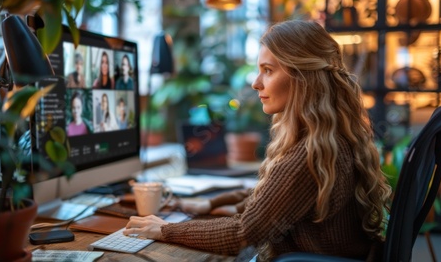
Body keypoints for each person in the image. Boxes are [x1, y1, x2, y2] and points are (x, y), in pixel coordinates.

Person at [123, 20, 391, 261]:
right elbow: (273, 202)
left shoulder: (310, 154)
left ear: (303, 78)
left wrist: (164, 229)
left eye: (268, 70)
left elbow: (243, 233)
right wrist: (211, 204)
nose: (256, 83)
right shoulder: (331, 141)